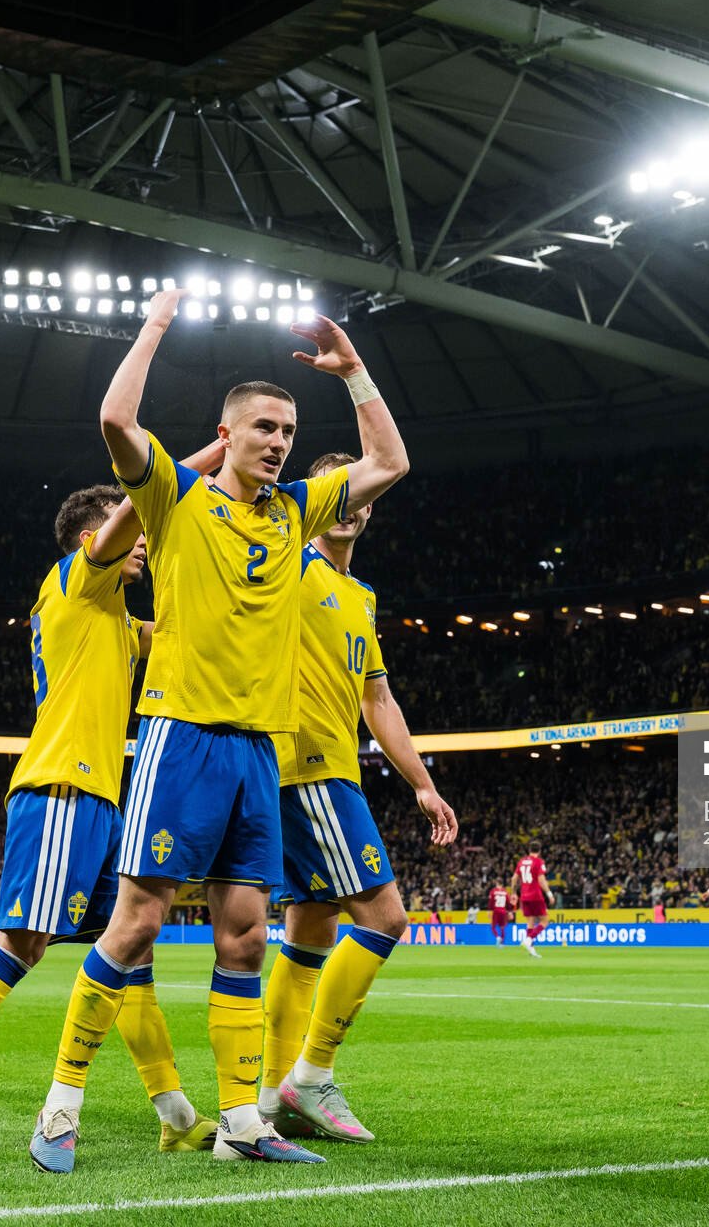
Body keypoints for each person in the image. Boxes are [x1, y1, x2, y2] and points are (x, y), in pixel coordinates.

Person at [29, 290, 409, 1171]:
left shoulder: (297, 511)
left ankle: (243, 1125)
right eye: (263, 427)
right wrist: (157, 325)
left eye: (286, 428)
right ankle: (60, 1105)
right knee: (135, 925)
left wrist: (352, 372)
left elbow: (390, 459)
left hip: (259, 749)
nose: (277, 441)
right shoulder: (174, 499)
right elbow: (115, 416)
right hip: (181, 737)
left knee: (244, 933)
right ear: (227, 433)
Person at [0, 453, 221, 1162]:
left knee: (130, 953)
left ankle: (178, 1114)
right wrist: (202, 462)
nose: (144, 548)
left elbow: (193, 631)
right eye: (134, 536)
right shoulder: (74, 583)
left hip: (98, 797)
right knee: (22, 945)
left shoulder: (119, 622)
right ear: (94, 538)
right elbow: (135, 510)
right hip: (62, 787)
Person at [259, 452, 458, 1144]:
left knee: (309, 931)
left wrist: (423, 783)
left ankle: (271, 1092)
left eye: (362, 493)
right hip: (306, 765)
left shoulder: (361, 595)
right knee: (385, 916)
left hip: (333, 765)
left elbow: (378, 697)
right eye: (338, 492)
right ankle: (310, 1078)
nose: (352, 504)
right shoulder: (289, 563)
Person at [515, 842, 553, 957]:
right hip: (535, 895)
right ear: (539, 851)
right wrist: (549, 894)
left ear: (529, 850)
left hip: (524, 895)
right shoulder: (538, 862)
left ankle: (531, 950)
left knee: (530, 923)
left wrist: (513, 893)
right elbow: (541, 880)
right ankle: (529, 939)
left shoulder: (521, 862)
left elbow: (514, 878)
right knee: (545, 921)